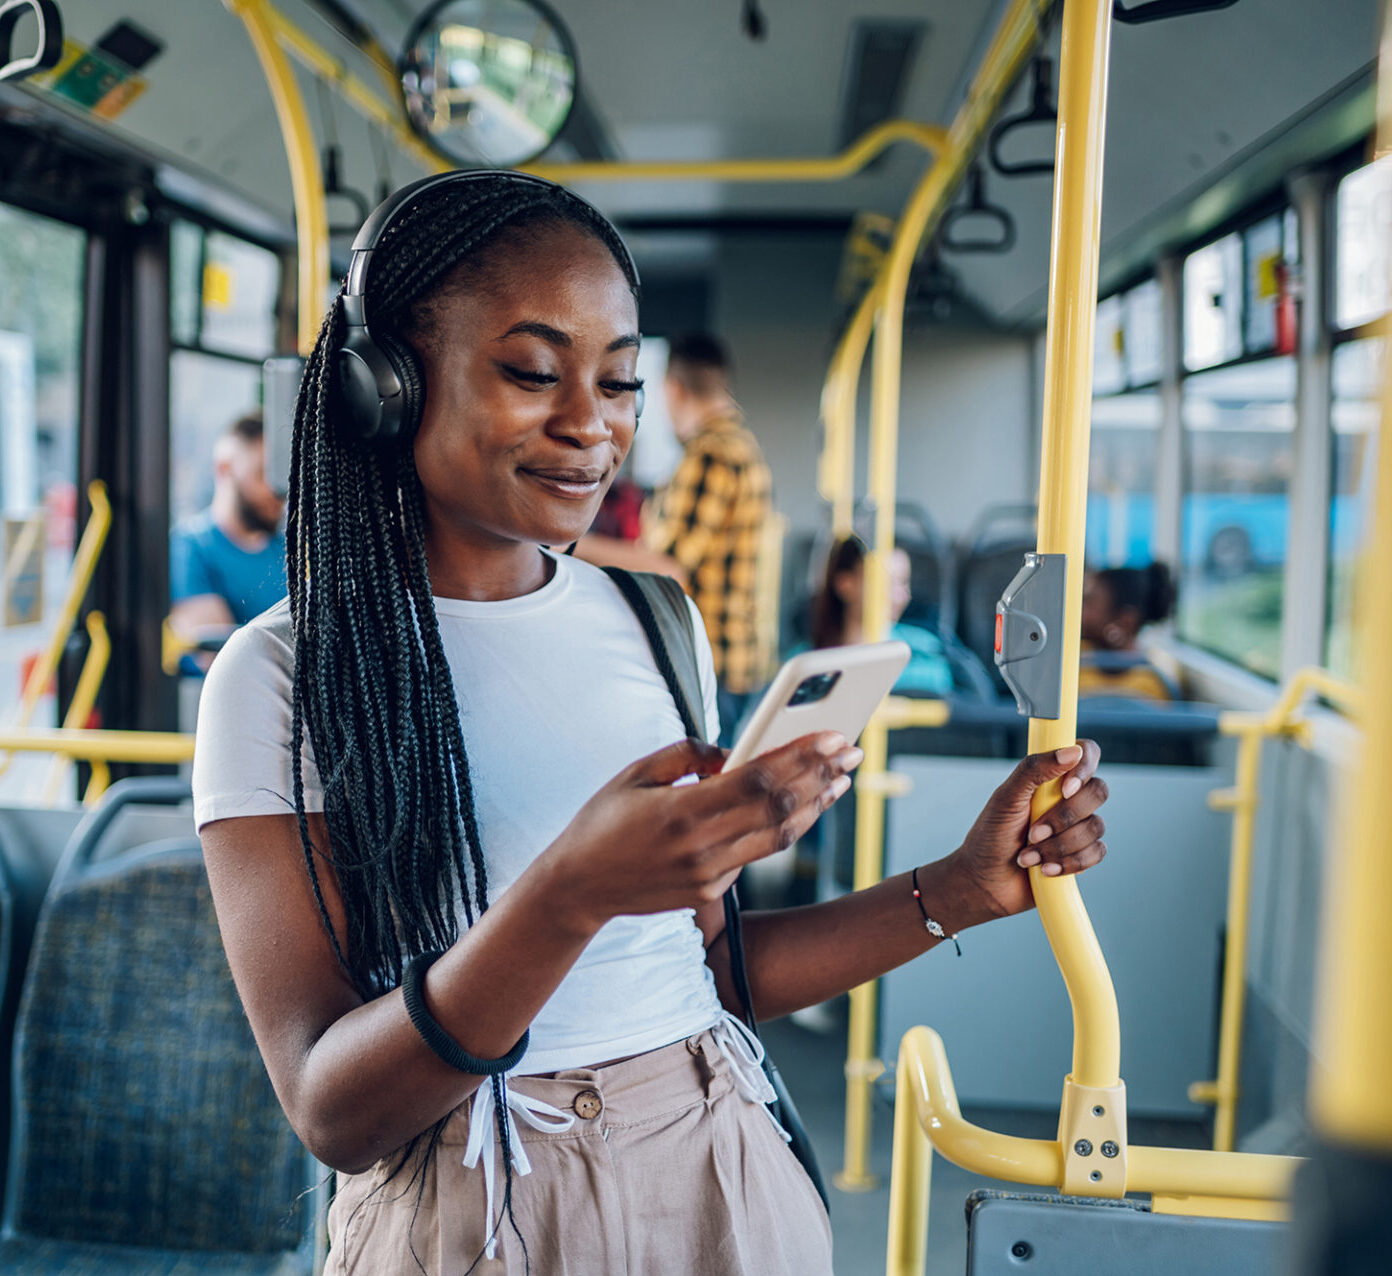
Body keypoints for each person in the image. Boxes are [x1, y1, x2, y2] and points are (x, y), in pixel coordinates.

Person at [192, 171, 1109, 1276]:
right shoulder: (282, 675)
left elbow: (710, 978)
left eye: (623, 381)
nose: (591, 424)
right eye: (533, 372)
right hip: (475, 1194)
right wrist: (568, 895)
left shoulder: (654, 619)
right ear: (384, 386)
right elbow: (332, 1110)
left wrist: (957, 889)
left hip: (718, 1158)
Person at [642, 333, 772, 743]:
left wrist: (574, 548)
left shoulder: (711, 455)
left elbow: (667, 566)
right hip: (736, 657)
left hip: (710, 659)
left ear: (673, 390)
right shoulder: (744, 448)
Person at [168, 411, 286, 643]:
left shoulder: (288, 551)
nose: (278, 491)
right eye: (263, 474)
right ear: (224, 469)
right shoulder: (189, 547)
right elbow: (217, 655)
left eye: (281, 477)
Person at [808, 535, 955, 696]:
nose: (901, 596)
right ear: (845, 584)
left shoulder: (928, 652)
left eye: (904, 582)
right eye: (887, 583)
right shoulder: (806, 663)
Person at [1078, 562, 1179, 701]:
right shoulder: (1072, 660)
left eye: (1089, 602)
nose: (1078, 610)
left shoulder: (1153, 685)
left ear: (1124, 621)